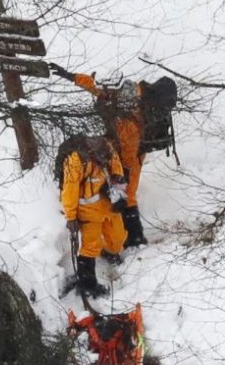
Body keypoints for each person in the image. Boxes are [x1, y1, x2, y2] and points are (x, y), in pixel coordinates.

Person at [50, 63, 149, 247]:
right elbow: (91, 84)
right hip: (115, 149)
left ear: (117, 89)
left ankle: (135, 238)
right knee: (120, 191)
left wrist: (121, 173)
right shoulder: (109, 91)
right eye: (103, 89)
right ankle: (119, 234)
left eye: (107, 90)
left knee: (128, 194)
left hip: (131, 156)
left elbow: (129, 150)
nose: (103, 92)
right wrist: (70, 76)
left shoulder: (129, 115)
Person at [58, 135, 128, 297]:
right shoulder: (76, 160)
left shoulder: (108, 149)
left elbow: (117, 168)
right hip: (88, 211)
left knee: (117, 240)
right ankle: (88, 284)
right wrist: (71, 216)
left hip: (108, 207)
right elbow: (69, 190)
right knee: (90, 247)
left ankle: (108, 252)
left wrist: (119, 189)